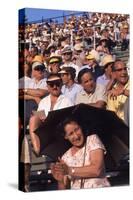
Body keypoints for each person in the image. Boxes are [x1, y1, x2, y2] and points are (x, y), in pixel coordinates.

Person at [51, 118, 110, 189]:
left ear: (81, 127)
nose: (76, 136)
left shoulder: (92, 140)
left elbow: (97, 170)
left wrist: (70, 170)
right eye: (71, 134)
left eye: (77, 129)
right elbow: (64, 190)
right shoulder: (65, 157)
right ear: (66, 136)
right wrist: (60, 181)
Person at [29, 73, 73, 154]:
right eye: (52, 84)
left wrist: (51, 119)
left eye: (57, 84)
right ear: (48, 87)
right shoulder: (43, 101)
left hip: (60, 132)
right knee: (33, 119)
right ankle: (37, 149)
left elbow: (69, 121)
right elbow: (38, 117)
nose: (55, 87)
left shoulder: (67, 100)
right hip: (45, 132)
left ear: (61, 84)